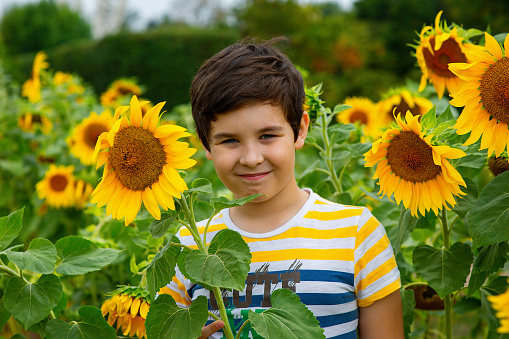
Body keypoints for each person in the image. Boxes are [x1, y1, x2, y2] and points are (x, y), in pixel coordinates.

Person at [164, 37, 404, 339]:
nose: (252, 158)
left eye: (267, 136)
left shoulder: (355, 233)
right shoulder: (187, 247)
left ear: (299, 130)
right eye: (230, 140)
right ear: (205, 144)